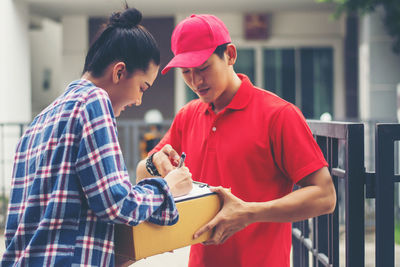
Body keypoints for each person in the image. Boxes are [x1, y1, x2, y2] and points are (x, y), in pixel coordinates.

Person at [136, 14, 336, 267]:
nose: (195, 81)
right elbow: (142, 173)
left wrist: (250, 213)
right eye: (186, 72)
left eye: (203, 68)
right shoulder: (188, 115)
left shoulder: (278, 115)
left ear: (230, 55)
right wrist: (156, 162)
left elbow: (325, 196)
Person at [1, 7, 193, 267]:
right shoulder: (94, 101)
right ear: (119, 72)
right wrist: (168, 187)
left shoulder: (38, 123)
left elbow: (18, 227)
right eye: (141, 87)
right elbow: (117, 204)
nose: (138, 100)